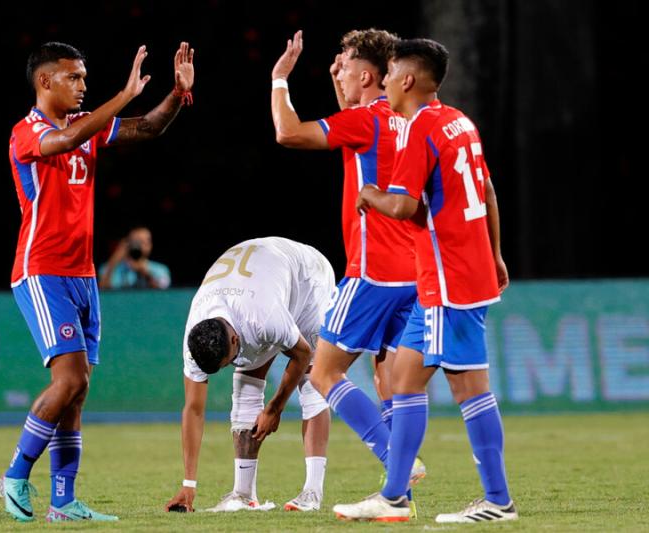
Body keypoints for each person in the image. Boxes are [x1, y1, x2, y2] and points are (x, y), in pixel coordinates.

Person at [0, 40, 194, 522]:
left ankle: (63, 502)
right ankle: (15, 475)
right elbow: (64, 141)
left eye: (85, 77)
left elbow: (149, 127)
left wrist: (176, 94)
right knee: (70, 379)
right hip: (42, 271)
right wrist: (123, 96)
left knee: (78, 390)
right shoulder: (27, 132)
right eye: (74, 77)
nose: (83, 85)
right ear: (45, 81)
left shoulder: (86, 128)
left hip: (82, 275)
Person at [334, 38, 516, 522]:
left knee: (461, 388)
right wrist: (496, 253)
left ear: (408, 79)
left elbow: (403, 205)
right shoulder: (460, 122)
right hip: (463, 271)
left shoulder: (420, 129)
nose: (387, 82)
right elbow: (487, 189)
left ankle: (494, 500)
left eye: (391, 74)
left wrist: (369, 194)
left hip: (446, 277)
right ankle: (397, 497)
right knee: (409, 380)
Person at [270, 29, 425, 513]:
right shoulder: (404, 118)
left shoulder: (365, 120)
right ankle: (397, 499)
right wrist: (341, 81)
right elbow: (352, 126)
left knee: (323, 372)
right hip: (414, 271)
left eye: (346, 63)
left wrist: (279, 79)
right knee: (388, 379)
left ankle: (396, 461)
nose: (338, 69)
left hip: (372, 270)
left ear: (367, 75)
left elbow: (288, 132)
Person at [164, 237, 335, 513]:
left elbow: (302, 354)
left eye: (228, 361)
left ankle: (312, 492)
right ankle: (244, 494)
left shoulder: (263, 318)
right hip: (259, 280)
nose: (231, 366)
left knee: (311, 380)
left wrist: (275, 408)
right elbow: (193, 409)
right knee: (244, 385)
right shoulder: (196, 334)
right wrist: (188, 484)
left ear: (234, 339)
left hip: (308, 278)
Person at [98, 226, 171, 289]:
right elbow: (102, 290)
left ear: (150, 245)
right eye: (134, 242)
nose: (137, 246)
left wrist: (145, 273)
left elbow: (163, 292)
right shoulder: (108, 268)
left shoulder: (161, 269)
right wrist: (115, 258)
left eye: (142, 242)